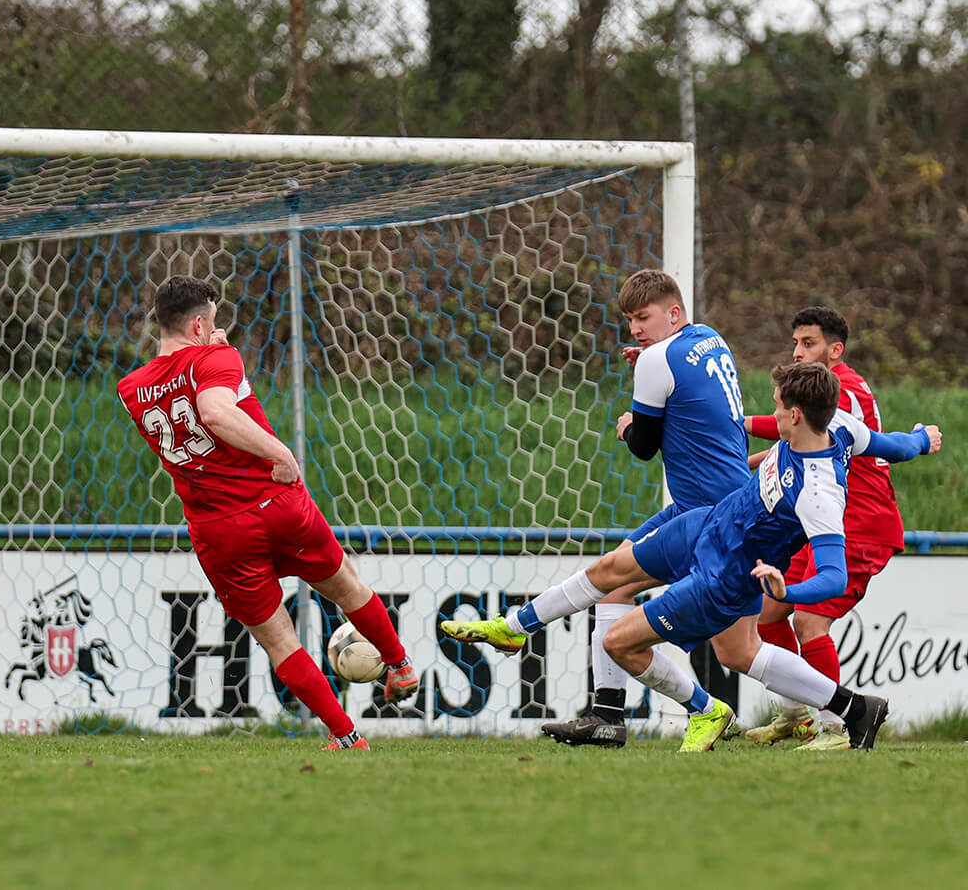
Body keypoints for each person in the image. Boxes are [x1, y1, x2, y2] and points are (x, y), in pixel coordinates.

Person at [443, 362, 941, 753]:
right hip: (709, 523)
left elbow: (833, 575)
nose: (771, 414)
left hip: (722, 578)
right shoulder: (840, 426)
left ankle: (711, 709)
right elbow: (890, 445)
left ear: (793, 415)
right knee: (613, 572)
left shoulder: (818, 493)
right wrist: (922, 439)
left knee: (620, 642)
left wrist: (789, 591)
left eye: (776, 406)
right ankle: (515, 626)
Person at [117, 276, 417, 751]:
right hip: (277, 505)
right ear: (200, 323)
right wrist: (282, 454)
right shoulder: (217, 359)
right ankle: (400, 666)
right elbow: (214, 410)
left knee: (280, 641)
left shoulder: (131, 388)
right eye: (212, 321)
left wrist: (210, 354)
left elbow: (183, 385)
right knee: (347, 587)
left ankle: (347, 736)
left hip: (219, 531)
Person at [542, 269, 750, 748]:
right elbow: (690, 395)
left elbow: (643, 446)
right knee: (614, 587)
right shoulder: (709, 339)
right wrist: (651, 362)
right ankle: (607, 715)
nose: (635, 328)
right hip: (719, 507)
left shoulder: (658, 360)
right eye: (630, 320)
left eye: (643, 317)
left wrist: (628, 425)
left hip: (709, 518)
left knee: (741, 651)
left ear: (673, 313)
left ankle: (841, 707)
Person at [741, 307, 907, 750]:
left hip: (859, 524)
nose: (798, 353)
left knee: (810, 621)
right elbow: (786, 438)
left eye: (808, 344)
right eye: (795, 343)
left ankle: (836, 726)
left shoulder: (843, 390)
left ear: (836, 349)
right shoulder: (822, 392)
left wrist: (723, 426)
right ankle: (798, 717)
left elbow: (789, 426)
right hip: (821, 520)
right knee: (769, 613)